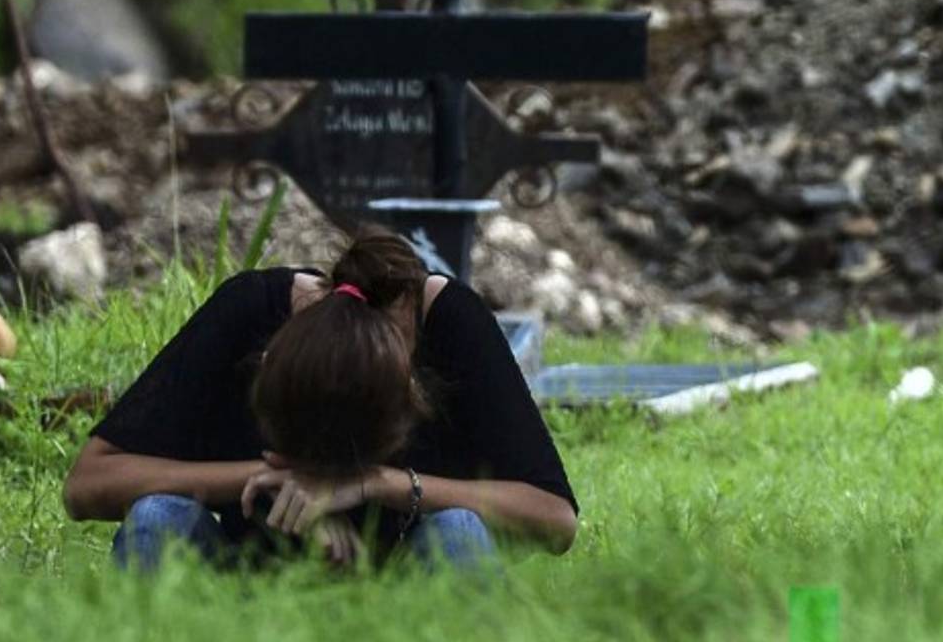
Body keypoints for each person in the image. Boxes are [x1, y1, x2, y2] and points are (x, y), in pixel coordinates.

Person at [63, 229, 578, 572]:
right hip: (248, 594)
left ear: (410, 395)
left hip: (407, 597)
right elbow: (89, 483)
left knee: (458, 532)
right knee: (159, 519)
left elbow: (554, 520)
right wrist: (265, 479)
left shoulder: (450, 324)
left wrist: (377, 484)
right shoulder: (250, 310)